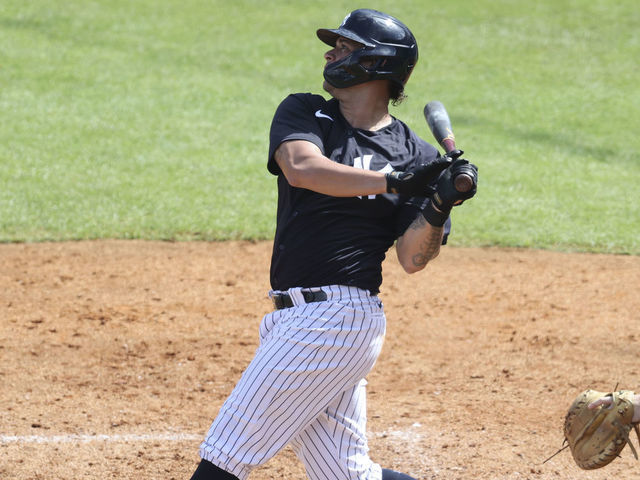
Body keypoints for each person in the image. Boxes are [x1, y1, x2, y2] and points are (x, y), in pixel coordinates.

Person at [189, 8, 478, 480]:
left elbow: (412, 257)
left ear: (379, 63)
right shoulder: (308, 112)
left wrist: (440, 203)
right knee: (347, 475)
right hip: (294, 319)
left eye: (346, 47)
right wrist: (395, 183)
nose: (331, 53)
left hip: (335, 321)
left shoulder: (417, 157)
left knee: (222, 461)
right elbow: (302, 168)